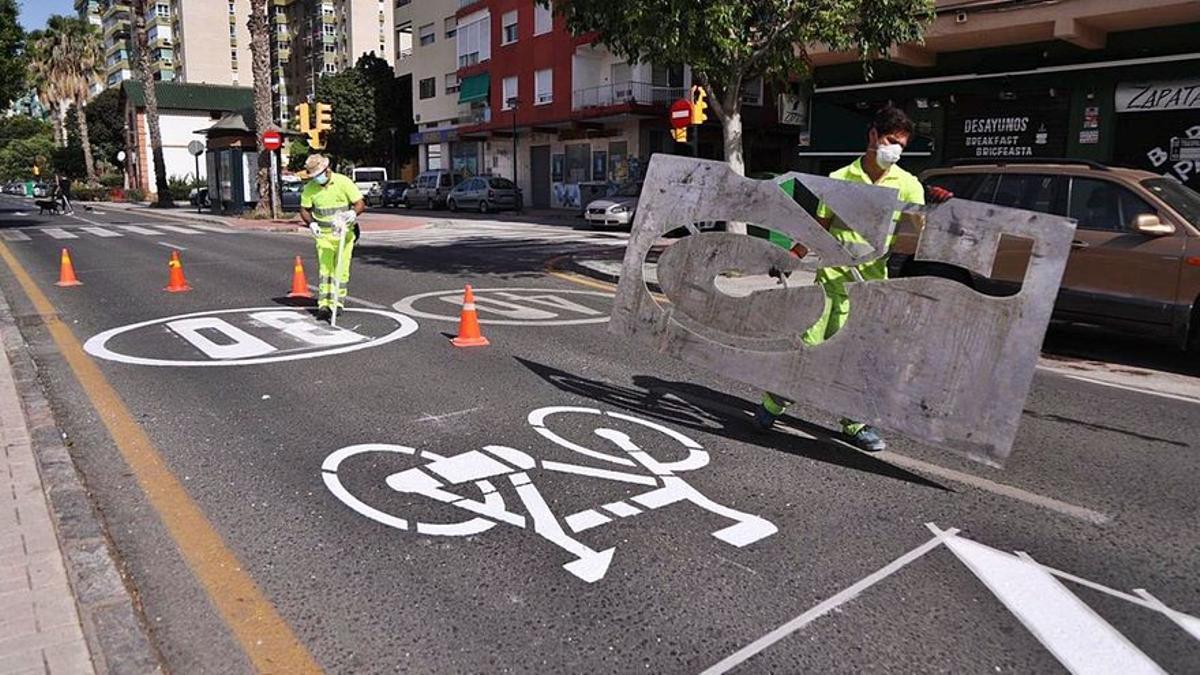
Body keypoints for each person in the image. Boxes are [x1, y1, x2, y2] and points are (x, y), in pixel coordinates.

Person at [753, 104, 949, 452]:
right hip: (831, 279)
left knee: (857, 357)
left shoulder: (908, 185)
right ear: (873, 135)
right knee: (809, 345)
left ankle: (854, 423)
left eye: (902, 145)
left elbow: (922, 234)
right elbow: (820, 227)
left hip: (870, 286)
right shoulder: (842, 178)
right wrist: (790, 257)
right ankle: (773, 404)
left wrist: (934, 209)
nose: (896, 150)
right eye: (891, 140)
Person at [298, 154, 366, 322]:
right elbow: (304, 209)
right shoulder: (310, 188)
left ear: (327, 170)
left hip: (344, 234)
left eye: (318, 175)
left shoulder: (343, 182)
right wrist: (311, 224)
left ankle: (337, 302)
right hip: (323, 236)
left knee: (341, 270)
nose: (316, 179)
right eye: (313, 176)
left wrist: (353, 213)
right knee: (325, 271)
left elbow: (360, 203)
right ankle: (324, 304)